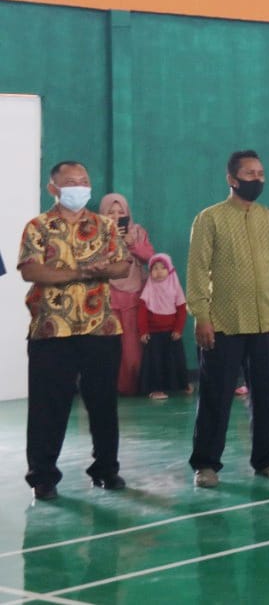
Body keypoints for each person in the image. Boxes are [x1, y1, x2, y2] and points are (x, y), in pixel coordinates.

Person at [18, 161, 130, 500]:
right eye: (70, 182)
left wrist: (105, 268)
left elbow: (123, 266)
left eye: (83, 181)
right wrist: (82, 272)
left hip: (101, 328)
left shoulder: (105, 226)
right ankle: (43, 477)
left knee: (103, 405)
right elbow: (31, 271)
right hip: (52, 329)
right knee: (47, 407)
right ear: (53, 188)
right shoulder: (38, 226)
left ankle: (106, 470)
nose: (79, 187)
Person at [187, 150, 269, 487]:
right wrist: (201, 316)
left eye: (261, 173)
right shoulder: (210, 219)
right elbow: (197, 271)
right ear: (232, 179)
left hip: (265, 322)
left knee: (264, 396)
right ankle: (206, 464)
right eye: (250, 173)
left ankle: (265, 459)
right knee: (216, 397)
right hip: (223, 323)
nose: (257, 179)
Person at [98, 193, 156, 396]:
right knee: (108, 346)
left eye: (120, 212)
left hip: (134, 295)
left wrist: (132, 244)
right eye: (110, 212)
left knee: (132, 347)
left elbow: (150, 257)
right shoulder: (95, 234)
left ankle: (134, 385)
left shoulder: (137, 232)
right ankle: (109, 386)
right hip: (106, 295)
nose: (116, 216)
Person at [137, 254, 190, 400]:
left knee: (176, 360)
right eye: (155, 268)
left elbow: (181, 309)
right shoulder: (149, 289)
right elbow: (142, 312)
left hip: (172, 333)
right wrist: (143, 331)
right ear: (150, 272)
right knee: (155, 363)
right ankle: (155, 389)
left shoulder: (175, 287)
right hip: (153, 334)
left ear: (170, 270)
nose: (159, 271)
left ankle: (182, 385)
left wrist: (178, 329)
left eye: (163, 268)